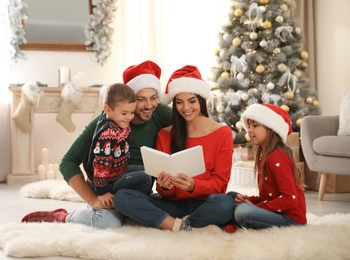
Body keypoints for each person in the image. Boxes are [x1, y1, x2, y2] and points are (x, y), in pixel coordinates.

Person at [21, 61, 172, 228]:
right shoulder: (104, 122)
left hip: (137, 188)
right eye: (141, 99)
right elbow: (67, 162)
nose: (149, 105)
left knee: (171, 209)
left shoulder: (160, 113)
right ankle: (63, 216)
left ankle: (132, 210)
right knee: (107, 223)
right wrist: (93, 199)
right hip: (108, 191)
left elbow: (193, 122)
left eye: (153, 98)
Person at [113, 65, 236, 232]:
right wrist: (164, 186)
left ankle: (181, 222)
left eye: (192, 101)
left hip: (206, 203)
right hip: (173, 206)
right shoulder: (165, 134)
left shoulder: (222, 133)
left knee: (225, 203)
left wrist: (194, 185)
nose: (186, 108)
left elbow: (220, 184)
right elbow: (163, 191)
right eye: (179, 102)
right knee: (122, 197)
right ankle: (179, 225)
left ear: (201, 99)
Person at [225, 103, 307, 231]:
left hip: (290, 220)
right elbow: (269, 197)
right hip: (276, 212)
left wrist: (255, 207)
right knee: (231, 196)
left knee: (243, 211)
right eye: (249, 126)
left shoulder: (277, 156)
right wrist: (249, 200)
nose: (249, 130)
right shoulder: (264, 154)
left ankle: (231, 221)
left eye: (255, 126)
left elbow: (290, 199)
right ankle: (233, 220)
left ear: (271, 128)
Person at [84, 83, 152, 203]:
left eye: (132, 112)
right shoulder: (108, 133)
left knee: (151, 170)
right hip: (105, 184)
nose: (129, 117)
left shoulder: (121, 122)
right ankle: (132, 201)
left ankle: (136, 197)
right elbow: (101, 165)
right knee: (145, 177)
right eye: (124, 113)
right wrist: (102, 192)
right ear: (107, 109)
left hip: (118, 172)